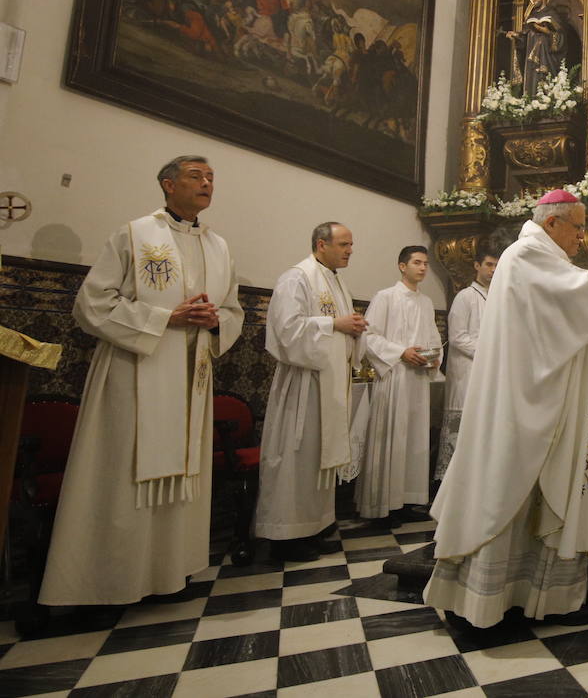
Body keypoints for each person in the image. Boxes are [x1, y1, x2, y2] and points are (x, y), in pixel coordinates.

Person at [425, 190, 588, 626]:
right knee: (508, 478)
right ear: (552, 222)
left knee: (530, 481)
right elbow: (575, 301)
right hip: (521, 396)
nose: (582, 236)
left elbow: (565, 311)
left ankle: (528, 590)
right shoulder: (526, 254)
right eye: (577, 226)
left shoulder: (540, 255)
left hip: (538, 389)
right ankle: (487, 595)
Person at [40, 156, 243, 605]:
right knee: (122, 473)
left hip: (191, 377)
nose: (207, 183)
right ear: (168, 185)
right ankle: (106, 584)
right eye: (196, 176)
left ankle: (167, 574)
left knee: (183, 472)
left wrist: (214, 321)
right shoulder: (133, 234)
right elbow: (91, 305)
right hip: (134, 375)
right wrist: (163, 318)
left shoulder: (219, 246)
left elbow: (233, 312)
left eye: (211, 177)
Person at [255, 222, 367, 562]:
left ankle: (316, 526)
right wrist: (335, 324)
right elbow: (286, 332)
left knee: (319, 458)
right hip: (303, 387)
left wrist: (354, 329)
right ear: (321, 244)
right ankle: (285, 536)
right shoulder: (297, 278)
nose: (350, 250)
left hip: (328, 385)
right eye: (344, 244)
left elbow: (338, 329)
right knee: (295, 460)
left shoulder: (335, 281)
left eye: (351, 244)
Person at [357, 246, 444, 526]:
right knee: (391, 439)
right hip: (394, 378)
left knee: (414, 442)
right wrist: (401, 352)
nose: (422, 268)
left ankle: (407, 499)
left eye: (425, 264)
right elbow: (369, 337)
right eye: (416, 262)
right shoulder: (386, 297)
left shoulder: (426, 302)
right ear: (401, 266)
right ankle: (382, 505)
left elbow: (433, 338)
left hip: (417, 381)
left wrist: (434, 358)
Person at [435, 242, 500, 481]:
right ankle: (450, 482)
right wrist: (490, 351)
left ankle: (476, 479)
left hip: (488, 372)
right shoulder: (465, 296)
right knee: (460, 430)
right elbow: (458, 337)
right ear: (477, 266)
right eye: (489, 265)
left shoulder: (497, 298)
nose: (493, 270)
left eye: (497, 266)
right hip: (467, 373)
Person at [504, 0, 571, 96]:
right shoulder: (532, 16)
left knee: (545, 80)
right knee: (532, 81)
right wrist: (517, 36)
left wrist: (547, 32)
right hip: (531, 56)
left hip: (547, 57)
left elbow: (561, 37)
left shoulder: (552, 14)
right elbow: (525, 38)